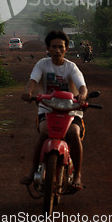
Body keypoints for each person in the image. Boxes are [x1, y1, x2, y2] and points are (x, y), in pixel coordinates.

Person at [21, 30, 88, 190]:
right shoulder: (42, 64)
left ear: (66, 49)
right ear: (48, 48)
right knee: (44, 133)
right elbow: (33, 80)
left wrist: (83, 96)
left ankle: (77, 175)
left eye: (60, 47)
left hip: (72, 111)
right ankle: (32, 170)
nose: (57, 50)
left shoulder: (71, 67)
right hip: (47, 110)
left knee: (74, 133)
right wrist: (28, 92)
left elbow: (82, 86)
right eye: (54, 47)